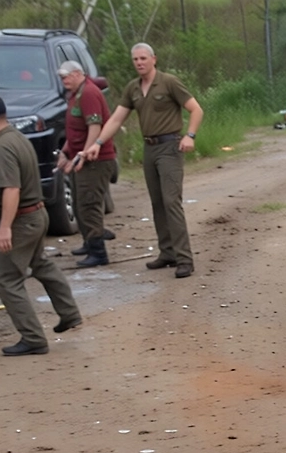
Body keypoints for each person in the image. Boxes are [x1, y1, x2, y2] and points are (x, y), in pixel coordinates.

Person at [84, 42, 203, 279]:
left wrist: (190, 135)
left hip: (170, 147)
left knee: (171, 201)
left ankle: (184, 259)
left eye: (143, 58)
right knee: (157, 202)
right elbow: (116, 119)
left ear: (153, 59)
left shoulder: (169, 82)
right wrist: (97, 143)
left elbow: (196, 109)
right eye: (135, 59)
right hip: (149, 148)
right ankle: (167, 252)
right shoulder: (133, 88)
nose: (139, 63)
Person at [0, 94, 83, 356]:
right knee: (40, 264)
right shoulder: (17, 137)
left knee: (6, 281)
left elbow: (11, 189)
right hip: (38, 213)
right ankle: (69, 313)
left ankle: (33, 338)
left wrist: (4, 227)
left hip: (22, 219)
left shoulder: (2, 147)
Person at [57, 60, 117, 267]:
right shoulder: (75, 95)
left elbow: (94, 127)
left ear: (77, 74)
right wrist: (65, 152)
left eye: (65, 77)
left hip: (95, 160)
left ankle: (98, 252)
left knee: (89, 204)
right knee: (79, 203)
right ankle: (89, 242)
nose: (63, 81)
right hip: (79, 157)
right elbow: (75, 130)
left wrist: (84, 154)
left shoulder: (89, 93)